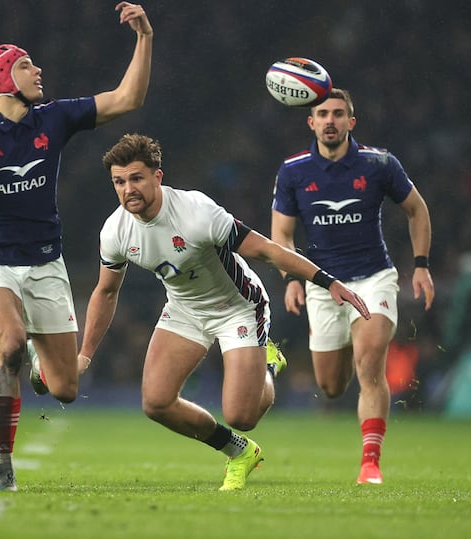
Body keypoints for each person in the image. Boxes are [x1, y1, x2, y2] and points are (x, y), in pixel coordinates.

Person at [0, 3, 153, 492]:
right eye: (25, 64)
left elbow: (127, 99)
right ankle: (4, 465)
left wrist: (145, 37)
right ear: (1, 80)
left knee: (64, 388)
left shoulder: (54, 118)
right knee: (11, 344)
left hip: (45, 265)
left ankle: (42, 365)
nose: (38, 70)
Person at [79, 134, 370, 490]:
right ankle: (240, 451)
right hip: (185, 309)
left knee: (241, 415)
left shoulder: (196, 212)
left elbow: (265, 249)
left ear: (158, 176)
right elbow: (106, 292)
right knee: (156, 403)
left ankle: (266, 362)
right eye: (119, 182)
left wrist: (326, 281)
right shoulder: (115, 230)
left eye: (136, 178)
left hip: (238, 309)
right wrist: (85, 355)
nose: (128, 190)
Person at [271, 88, 435, 485]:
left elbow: (417, 209)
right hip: (323, 284)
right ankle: (339, 358)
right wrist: (292, 278)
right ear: (311, 122)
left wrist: (420, 265)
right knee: (330, 386)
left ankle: (370, 463)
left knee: (370, 360)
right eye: (322, 114)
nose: (330, 120)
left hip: (373, 276)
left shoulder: (379, 164)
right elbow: (281, 234)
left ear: (351, 122)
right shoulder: (293, 171)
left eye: (338, 114)